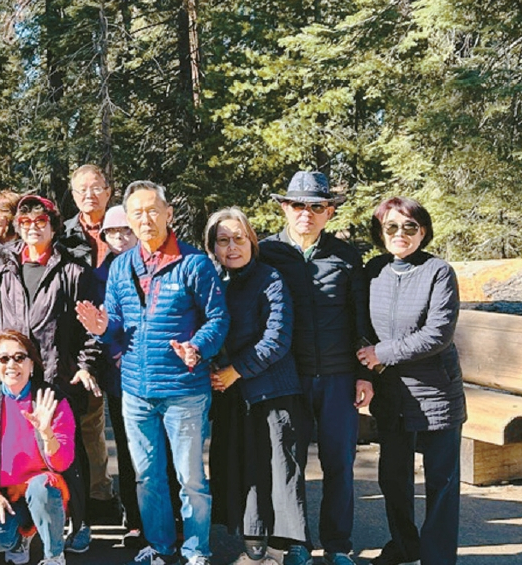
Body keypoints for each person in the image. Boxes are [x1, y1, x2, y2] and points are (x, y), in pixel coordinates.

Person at [80, 181, 229, 565]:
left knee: (190, 479)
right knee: (147, 478)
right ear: (127, 219)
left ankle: (197, 550)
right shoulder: (120, 266)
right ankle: (161, 546)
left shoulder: (195, 264)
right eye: (137, 213)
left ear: (168, 214)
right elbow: (115, 323)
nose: (145, 219)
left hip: (183, 390)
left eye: (152, 211)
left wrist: (197, 346)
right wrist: (102, 328)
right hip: (135, 392)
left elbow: (217, 318)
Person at [0, 193, 102, 553]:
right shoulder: (5, 268)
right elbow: (5, 320)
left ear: (53, 225)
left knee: (67, 457)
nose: (32, 228)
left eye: (39, 222)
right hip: (15, 376)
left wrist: (85, 366)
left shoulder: (73, 270)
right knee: (18, 454)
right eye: (25, 223)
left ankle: (79, 523)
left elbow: (91, 326)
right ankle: (26, 526)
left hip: (58, 377)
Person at [259, 171, 372, 565]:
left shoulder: (346, 256)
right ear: (284, 208)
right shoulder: (265, 253)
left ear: (329, 213)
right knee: (288, 464)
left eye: (316, 206)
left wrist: (365, 375)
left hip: (339, 377)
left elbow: (362, 320)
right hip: (287, 377)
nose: (306, 213)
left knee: (339, 463)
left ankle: (338, 545)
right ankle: (297, 544)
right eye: (297, 205)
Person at [359, 197, 465, 565]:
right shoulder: (374, 270)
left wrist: (381, 354)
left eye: (409, 227)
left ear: (423, 231)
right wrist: (365, 369)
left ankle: (437, 557)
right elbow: (360, 327)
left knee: (441, 484)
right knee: (393, 478)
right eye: (391, 227)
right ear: (380, 232)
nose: (400, 234)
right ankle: (404, 545)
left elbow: (438, 334)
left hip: (436, 394)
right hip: (391, 395)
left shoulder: (438, 271)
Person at [203, 208, 310, 565]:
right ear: (212, 246)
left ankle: (291, 544)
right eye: (223, 240)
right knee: (243, 467)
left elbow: (277, 338)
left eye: (239, 238)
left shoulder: (270, 279)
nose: (232, 247)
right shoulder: (211, 280)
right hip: (230, 393)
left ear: (251, 240)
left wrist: (237, 370)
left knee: (281, 467)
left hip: (273, 387)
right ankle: (253, 540)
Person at [0, 330, 76, 565]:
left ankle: (54, 555)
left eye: (19, 357)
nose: (12, 364)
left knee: (41, 488)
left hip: (44, 491)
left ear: (31, 364)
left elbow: (63, 462)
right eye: (4, 358)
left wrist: (47, 432)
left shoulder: (52, 398)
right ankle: (19, 537)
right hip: (7, 492)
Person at [59, 164, 119, 526]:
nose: (89, 195)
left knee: (129, 427)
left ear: (109, 191)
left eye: (96, 188)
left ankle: (136, 505)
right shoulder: (65, 234)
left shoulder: (123, 226)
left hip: (124, 336)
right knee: (89, 420)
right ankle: (97, 493)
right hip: (82, 338)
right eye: (81, 189)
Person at [97, 203, 148, 547]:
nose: (119, 237)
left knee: (158, 452)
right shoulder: (101, 271)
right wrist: (114, 353)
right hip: (119, 375)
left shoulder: (153, 265)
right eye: (112, 232)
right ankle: (134, 516)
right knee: (129, 452)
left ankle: (166, 516)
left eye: (125, 230)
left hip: (155, 371)